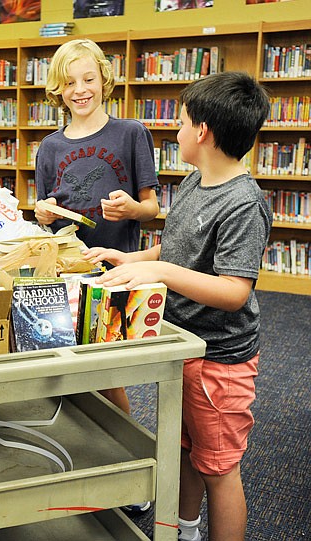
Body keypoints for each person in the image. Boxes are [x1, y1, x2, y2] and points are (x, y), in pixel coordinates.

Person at [84, 72, 271, 541]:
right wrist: (133, 258)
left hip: (220, 361)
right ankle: (185, 532)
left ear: (203, 132)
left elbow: (234, 291)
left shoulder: (243, 203)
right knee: (185, 450)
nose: (176, 132)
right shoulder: (193, 182)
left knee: (219, 468)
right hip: (181, 346)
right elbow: (175, 252)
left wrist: (161, 274)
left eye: (183, 122)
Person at [33, 38, 160, 419]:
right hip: (65, 274)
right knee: (63, 367)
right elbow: (44, 214)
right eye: (69, 82)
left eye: (88, 79)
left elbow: (151, 209)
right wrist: (43, 215)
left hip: (114, 272)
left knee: (106, 373)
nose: (80, 90)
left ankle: (126, 442)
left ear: (105, 80)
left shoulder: (131, 133)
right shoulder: (49, 147)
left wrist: (132, 209)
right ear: (58, 89)